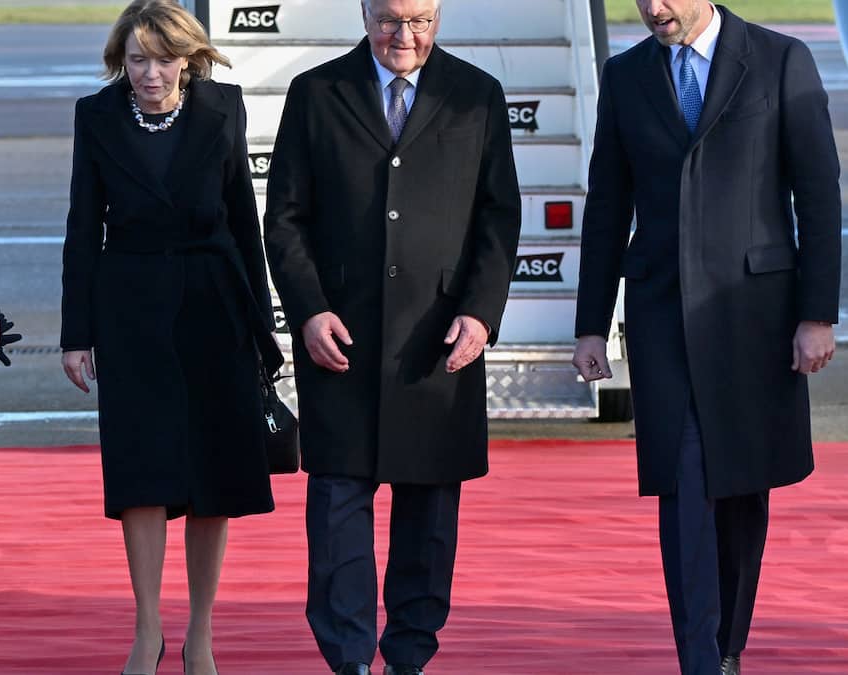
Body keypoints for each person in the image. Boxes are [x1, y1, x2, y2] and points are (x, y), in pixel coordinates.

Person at [572, 2, 841, 674]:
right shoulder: (626, 76)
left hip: (756, 316)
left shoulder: (781, 61)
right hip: (664, 316)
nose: (654, 8)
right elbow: (607, 205)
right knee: (683, 481)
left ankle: (727, 644)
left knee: (743, 490)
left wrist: (818, 314)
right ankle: (699, 655)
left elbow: (818, 192)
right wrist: (589, 323)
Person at [263, 0, 522, 672]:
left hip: (437, 346)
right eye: (388, 19)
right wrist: (310, 310)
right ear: (364, 10)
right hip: (341, 342)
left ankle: (408, 657)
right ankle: (348, 659)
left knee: (429, 525)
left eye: (420, 20)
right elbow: (285, 219)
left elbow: (499, 217)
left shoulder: (478, 96)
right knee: (338, 521)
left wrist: (482, 311)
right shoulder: (317, 94)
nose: (403, 36)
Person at [60, 2, 278, 674]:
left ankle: (201, 633)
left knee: (215, 472)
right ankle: (148, 628)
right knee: (141, 471)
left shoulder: (223, 108)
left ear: (188, 57)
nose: (149, 74)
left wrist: (262, 326)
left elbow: (245, 218)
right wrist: (76, 334)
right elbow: (81, 229)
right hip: (129, 311)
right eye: (135, 60)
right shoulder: (96, 116)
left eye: (162, 59)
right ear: (119, 61)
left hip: (215, 304)